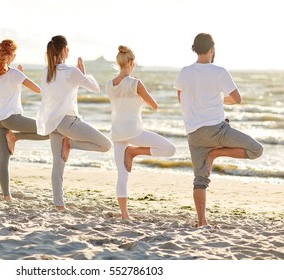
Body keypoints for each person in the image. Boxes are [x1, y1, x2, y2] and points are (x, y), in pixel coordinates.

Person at [174, 33, 263, 226]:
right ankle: (217, 153)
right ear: (212, 50)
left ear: (194, 49)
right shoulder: (219, 71)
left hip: (195, 134)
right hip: (218, 131)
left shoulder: (184, 72)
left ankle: (202, 222)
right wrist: (222, 101)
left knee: (200, 180)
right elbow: (237, 99)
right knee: (257, 150)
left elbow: (181, 97)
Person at [36, 35, 112, 210]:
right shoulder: (71, 71)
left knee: (57, 164)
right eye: (67, 48)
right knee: (105, 145)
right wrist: (83, 73)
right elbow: (95, 87)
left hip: (52, 123)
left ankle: (59, 204)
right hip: (67, 122)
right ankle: (70, 143)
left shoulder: (46, 71)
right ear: (64, 50)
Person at [106, 46, 176, 219]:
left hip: (117, 132)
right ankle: (135, 151)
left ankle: (125, 215)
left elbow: (122, 103)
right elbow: (154, 105)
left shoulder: (109, 84)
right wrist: (139, 92)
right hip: (134, 132)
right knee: (170, 150)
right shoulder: (136, 83)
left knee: (121, 174)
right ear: (130, 62)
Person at [0, 39, 49, 201]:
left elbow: (9, 88)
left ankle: (7, 196)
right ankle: (16, 137)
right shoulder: (15, 74)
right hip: (12, 118)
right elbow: (37, 90)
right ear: (11, 55)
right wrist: (22, 76)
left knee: (4, 159)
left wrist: (19, 77)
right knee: (48, 130)